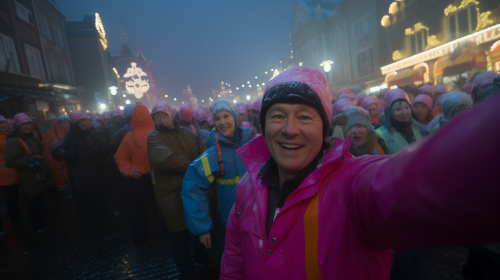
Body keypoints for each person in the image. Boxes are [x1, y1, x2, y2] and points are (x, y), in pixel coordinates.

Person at [220, 66, 500, 279]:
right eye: (277, 116)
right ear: (264, 125)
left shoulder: (350, 183)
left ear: (325, 127)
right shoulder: (248, 187)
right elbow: (234, 258)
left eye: (305, 117)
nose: (289, 129)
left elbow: (404, 186)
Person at [181, 99, 254, 252]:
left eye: (226, 116)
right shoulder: (214, 154)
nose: (222, 122)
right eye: (217, 118)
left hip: (259, 215)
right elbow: (192, 187)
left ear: (235, 118)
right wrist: (202, 228)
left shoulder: (253, 143)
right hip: (232, 220)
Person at [147, 102, 209, 280]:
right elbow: (166, 160)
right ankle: (186, 271)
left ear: (172, 115)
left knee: (199, 228)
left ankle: (202, 260)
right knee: (178, 236)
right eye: (156, 117)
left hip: (193, 189)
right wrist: (195, 166)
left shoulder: (186, 132)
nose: (160, 120)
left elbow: (202, 150)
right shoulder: (154, 137)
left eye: (163, 115)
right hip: (170, 194)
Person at [52, 111, 109, 219]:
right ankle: (87, 220)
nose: (84, 123)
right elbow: (56, 151)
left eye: (85, 120)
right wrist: (71, 154)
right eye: (81, 121)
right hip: (79, 175)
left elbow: (99, 145)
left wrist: (103, 146)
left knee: (95, 196)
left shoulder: (90, 132)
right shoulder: (70, 135)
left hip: (94, 172)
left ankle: (97, 215)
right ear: (75, 123)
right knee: (84, 199)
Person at [5, 113, 55, 233]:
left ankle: (42, 224)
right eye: (24, 124)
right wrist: (30, 159)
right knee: (34, 202)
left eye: (28, 124)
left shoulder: (32, 137)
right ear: (17, 126)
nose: (27, 126)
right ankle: (37, 226)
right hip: (28, 176)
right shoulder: (13, 141)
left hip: (39, 173)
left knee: (40, 200)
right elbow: (11, 161)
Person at [114, 105, 156, 242]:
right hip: (157, 176)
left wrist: (130, 170)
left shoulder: (129, 137)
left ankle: (141, 234)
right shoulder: (157, 133)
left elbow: (119, 157)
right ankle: (164, 231)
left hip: (137, 178)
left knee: (138, 208)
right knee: (158, 204)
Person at [375, 88, 430, 155]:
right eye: (398, 109)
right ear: (388, 112)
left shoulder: (421, 129)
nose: (404, 113)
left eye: (407, 108)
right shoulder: (379, 135)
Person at [0, 115, 21, 236]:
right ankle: (11, 223)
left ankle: (16, 219)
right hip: (4, 175)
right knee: (12, 198)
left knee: (14, 198)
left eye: (4, 123)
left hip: (12, 172)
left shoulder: (8, 136)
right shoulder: (5, 137)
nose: (2, 125)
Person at [44, 115, 70, 191]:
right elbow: (48, 145)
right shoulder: (51, 131)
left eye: (66, 122)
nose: (65, 124)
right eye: (63, 123)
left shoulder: (73, 130)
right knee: (60, 173)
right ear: (59, 123)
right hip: (59, 157)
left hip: (70, 156)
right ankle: (62, 186)